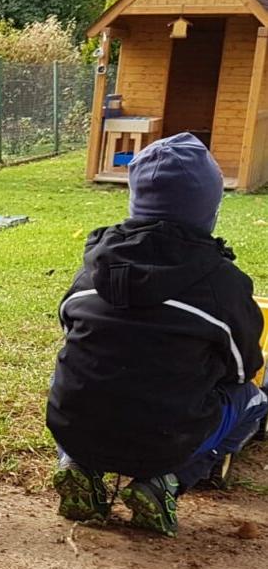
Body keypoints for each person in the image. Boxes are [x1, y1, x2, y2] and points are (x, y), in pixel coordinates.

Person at [48, 134, 266, 536]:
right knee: (254, 398)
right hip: (167, 439)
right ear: (210, 210)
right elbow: (243, 367)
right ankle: (165, 481)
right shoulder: (223, 283)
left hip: (76, 425)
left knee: (70, 369)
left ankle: (76, 464)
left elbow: (68, 325)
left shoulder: (95, 265)